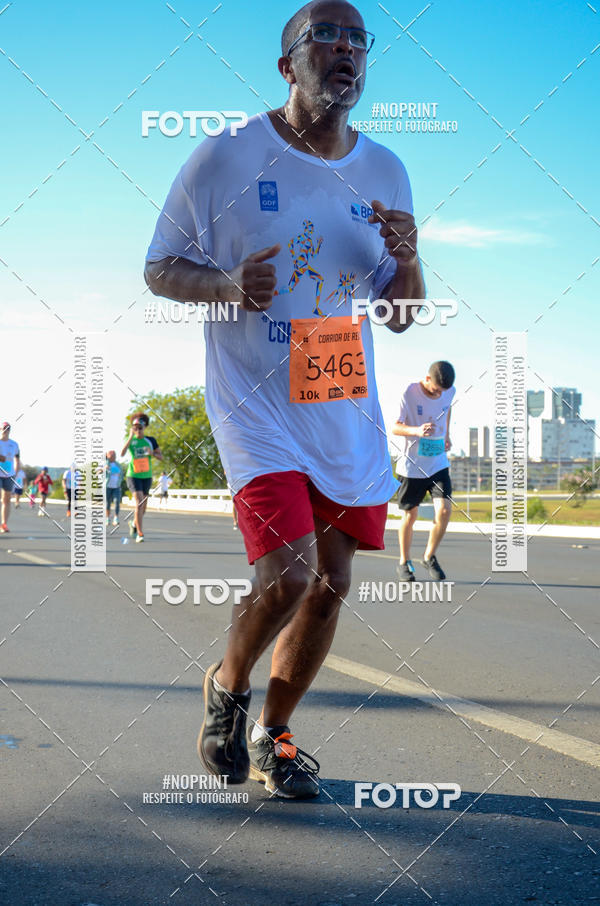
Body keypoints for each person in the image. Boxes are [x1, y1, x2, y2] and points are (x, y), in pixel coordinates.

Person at [145, 0, 425, 798]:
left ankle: (275, 734)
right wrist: (229, 285)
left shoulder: (387, 170)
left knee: (331, 585)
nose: (346, 50)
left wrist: (409, 260)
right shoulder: (224, 155)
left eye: (359, 40)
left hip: (340, 398)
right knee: (290, 575)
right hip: (255, 399)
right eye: (325, 36)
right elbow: (160, 268)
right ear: (286, 65)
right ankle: (227, 687)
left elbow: (402, 313)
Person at [392, 361, 456, 582]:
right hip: (412, 465)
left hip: (437, 463)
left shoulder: (449, 392)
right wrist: (417, 431)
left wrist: (446, 434)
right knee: (410, 515)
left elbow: (447, 407)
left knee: (445, 510)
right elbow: (395, 427)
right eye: (435, 390)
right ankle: (404, 561)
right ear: (427, 379)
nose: (439, 394)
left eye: (443, 391)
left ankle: (429, 556)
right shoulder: (409, 393)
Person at [121, 413, 162, 543]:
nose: (137, 430)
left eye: (140, 427)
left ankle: (134, 523)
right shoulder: (131, 440)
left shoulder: (150, 441)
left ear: (145, 427)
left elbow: (161, 457)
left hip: (146, 476)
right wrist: (130, 437)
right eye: (135, 427)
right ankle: (140, 533)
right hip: (133, 475)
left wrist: (152, 453)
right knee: (139, 502)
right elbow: (122, 453)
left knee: (143, 507)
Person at [0, 422, 22, 533]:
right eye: (4, 428)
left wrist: (16, 473)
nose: (6, 430)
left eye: (8, 428)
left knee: (6, 499)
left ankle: (4, 524)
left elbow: (17, 460)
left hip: (9, 475)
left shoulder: (14, 444)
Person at [105, 451, 123, 526]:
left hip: (116, 487)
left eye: (114, 455)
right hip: (107, 487)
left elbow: (121, 475)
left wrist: (120, 483)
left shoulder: (118, 465)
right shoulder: (105, 464)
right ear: (108, 456)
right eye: (111, 455)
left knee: (117, 502)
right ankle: (107, 518)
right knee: (107, 503)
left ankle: (116, 518)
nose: (113, 456)